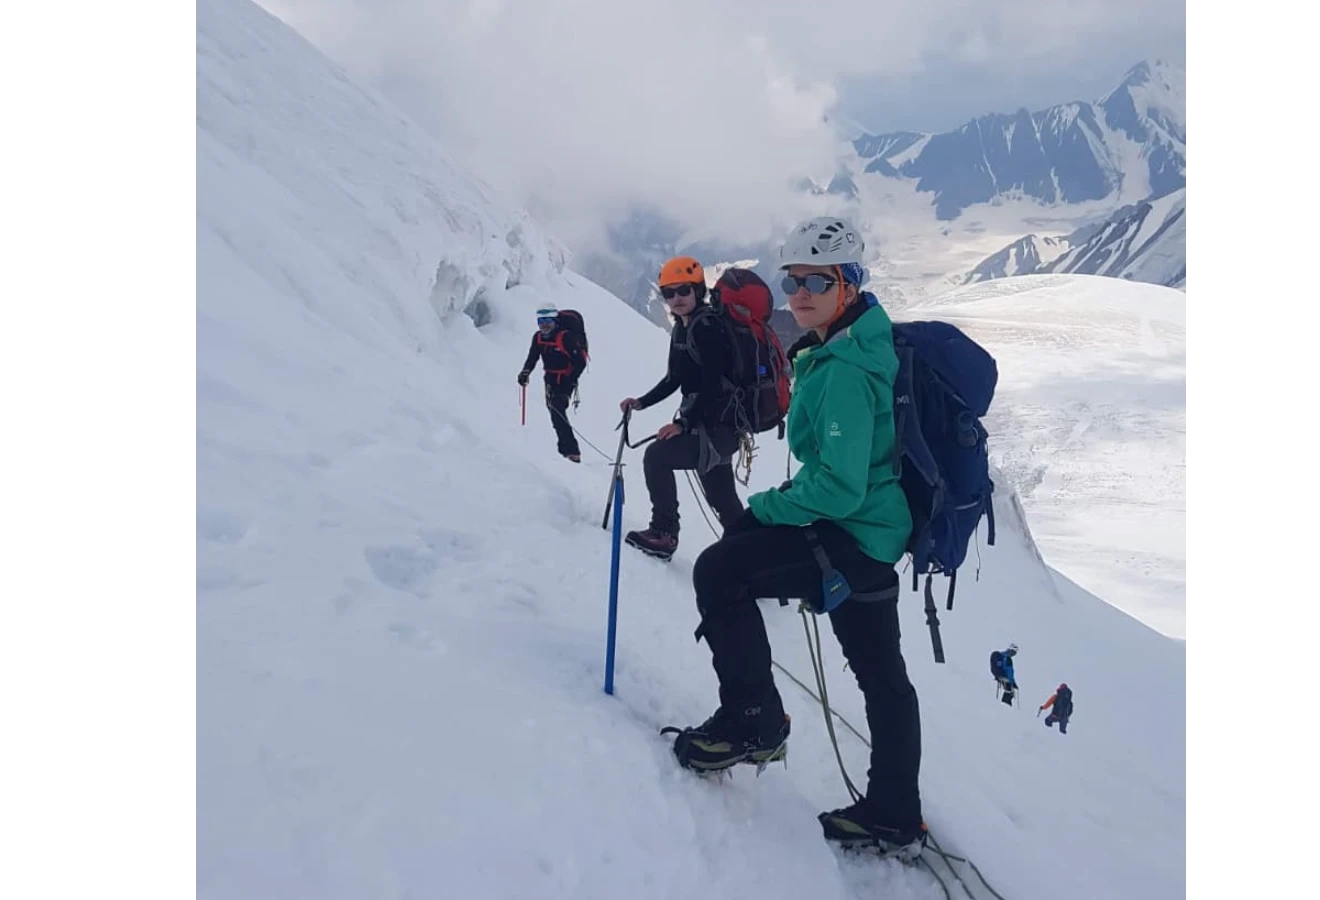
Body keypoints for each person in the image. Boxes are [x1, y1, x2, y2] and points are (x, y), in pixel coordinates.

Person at [662, 217, 926, 858]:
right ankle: (895, 811)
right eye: (793, 279)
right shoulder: (861, 340)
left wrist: (764, 509)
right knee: (883, 677)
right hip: (876, 534)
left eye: (816, 280)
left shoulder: (843, 369)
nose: (799, 293)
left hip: (852, 532)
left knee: (721, 570)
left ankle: (754, 718)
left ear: (849, 283)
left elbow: (836, 487)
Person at [618, 256, 745, 561]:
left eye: (684, 291)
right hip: (715, 427)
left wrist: (684, 424)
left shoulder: (708, 328)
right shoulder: (683, 329)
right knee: (723, 501)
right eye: (669, 293)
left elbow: (713, 382)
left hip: (716, 427)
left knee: (658, 456)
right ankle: (755, 557)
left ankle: (664, 533)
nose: (676, 299)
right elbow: (675, 378)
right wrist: (642, 402)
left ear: (698, 290)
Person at [518, 305, 586, 463]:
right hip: (550, 379)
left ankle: (571, 452)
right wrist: (525, 372)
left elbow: (580, 362)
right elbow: (532, 357)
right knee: (554, 411)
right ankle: (565, 449)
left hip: (565, 379)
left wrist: (570, 380)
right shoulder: (538, 338)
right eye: (541, 321)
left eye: (548, 320)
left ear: (555, 321)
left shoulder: (566, 337)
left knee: (557, 409)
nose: (544, 324)